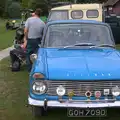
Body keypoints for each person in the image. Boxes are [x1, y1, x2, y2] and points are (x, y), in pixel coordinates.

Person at [23, 8, 45, 72]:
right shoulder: (42, 23)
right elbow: (43, 34)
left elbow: (25, 31)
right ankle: (36, 68)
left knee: (29, 54)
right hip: (38, 40)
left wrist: (26, 38)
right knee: (37, 55)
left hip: (30, 39)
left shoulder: (29, 20)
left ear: (35, 13)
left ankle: (30, 69)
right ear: (40, 15)